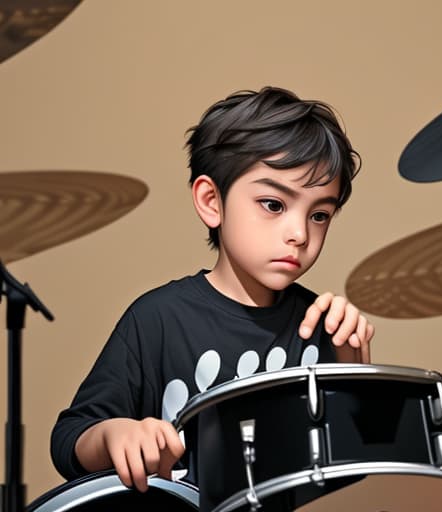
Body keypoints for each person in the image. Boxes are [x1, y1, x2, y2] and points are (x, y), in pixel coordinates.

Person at [50, 86, 375, 495]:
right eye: (274, 204)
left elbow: (357, 478)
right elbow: (68, 440)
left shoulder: (325, 326)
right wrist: (113, 435)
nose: (299, 233)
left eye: (320, 214)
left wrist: (353, 375)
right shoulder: (157, 319)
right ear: (211, 201)